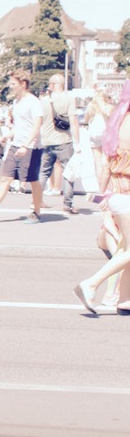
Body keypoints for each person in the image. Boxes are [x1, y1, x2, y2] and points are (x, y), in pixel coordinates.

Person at [75, 80, 130, 314]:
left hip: (118, 194)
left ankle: (124, 300)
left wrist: (103, 196)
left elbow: (106, 166)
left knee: (127, 248)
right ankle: (91, 284)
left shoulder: (119, 121)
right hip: (127, 193)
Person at [0, 69, 45, 224]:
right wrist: (7, 135)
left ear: (23, 84)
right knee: (5, 178)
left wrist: (26, 145)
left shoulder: (34, 102)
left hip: (31, 148)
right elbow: (20, 126)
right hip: (16, 145)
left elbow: (36, 127)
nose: (10, 86)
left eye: (13, 83)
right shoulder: (17, 102)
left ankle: (36, 212)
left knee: (32, 180)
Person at [38, 74, 80, 214]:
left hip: (46, 141)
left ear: (53, 84)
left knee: (43, 172)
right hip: (64, 141)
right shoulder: (68, 99)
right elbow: (73, 122)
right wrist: (77, 142)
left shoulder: (43, 101)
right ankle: (67, 204)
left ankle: (36, 200)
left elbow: (38, 121)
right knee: (68, 173)